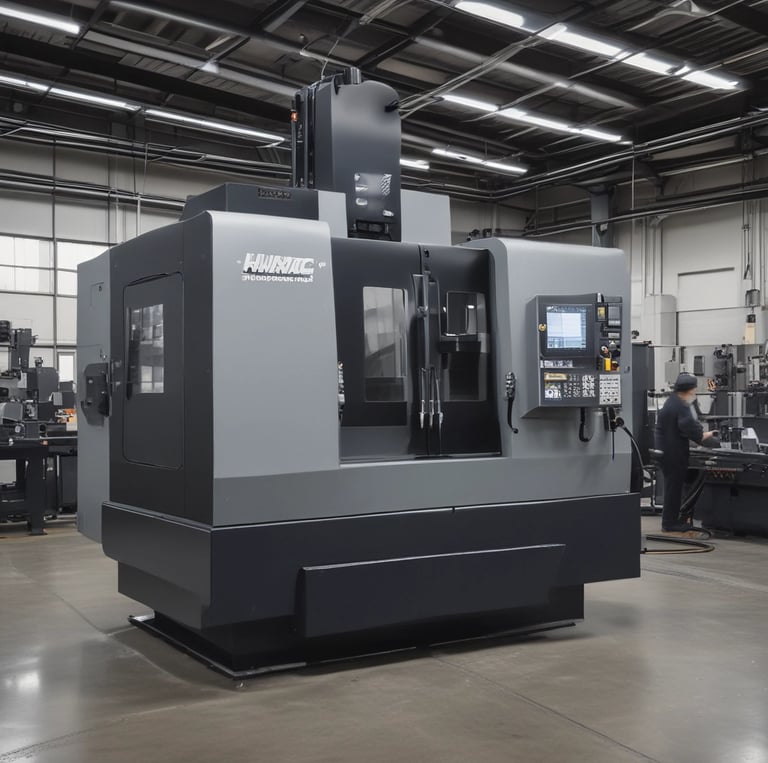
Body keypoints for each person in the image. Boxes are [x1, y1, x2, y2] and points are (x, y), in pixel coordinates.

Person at [654, 373, 717, 537]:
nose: (695, 392)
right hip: (673, 454)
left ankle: (672, 521)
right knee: (673, 490)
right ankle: (670, 523)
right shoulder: (681, 406)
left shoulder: (671, 401)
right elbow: (694, 432)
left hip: (666, 452)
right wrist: (711, 436)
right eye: (694, 389)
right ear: (689, 390)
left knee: (672, 488)